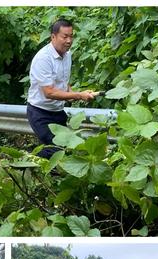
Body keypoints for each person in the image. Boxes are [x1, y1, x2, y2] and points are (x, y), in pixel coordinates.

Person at [27, 18, 101, 158]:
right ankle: (28, 166)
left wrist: (73, 93)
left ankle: (33, 168)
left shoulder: (67, 55)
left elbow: (63, 82)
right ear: (53, 37)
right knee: (55, 150)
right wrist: (78, 95)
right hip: (40, 113)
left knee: (62, 149)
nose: (69, 41)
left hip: (58, 111)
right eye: (65, 36)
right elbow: (49, 92)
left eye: (71, 36)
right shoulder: (43, 58)